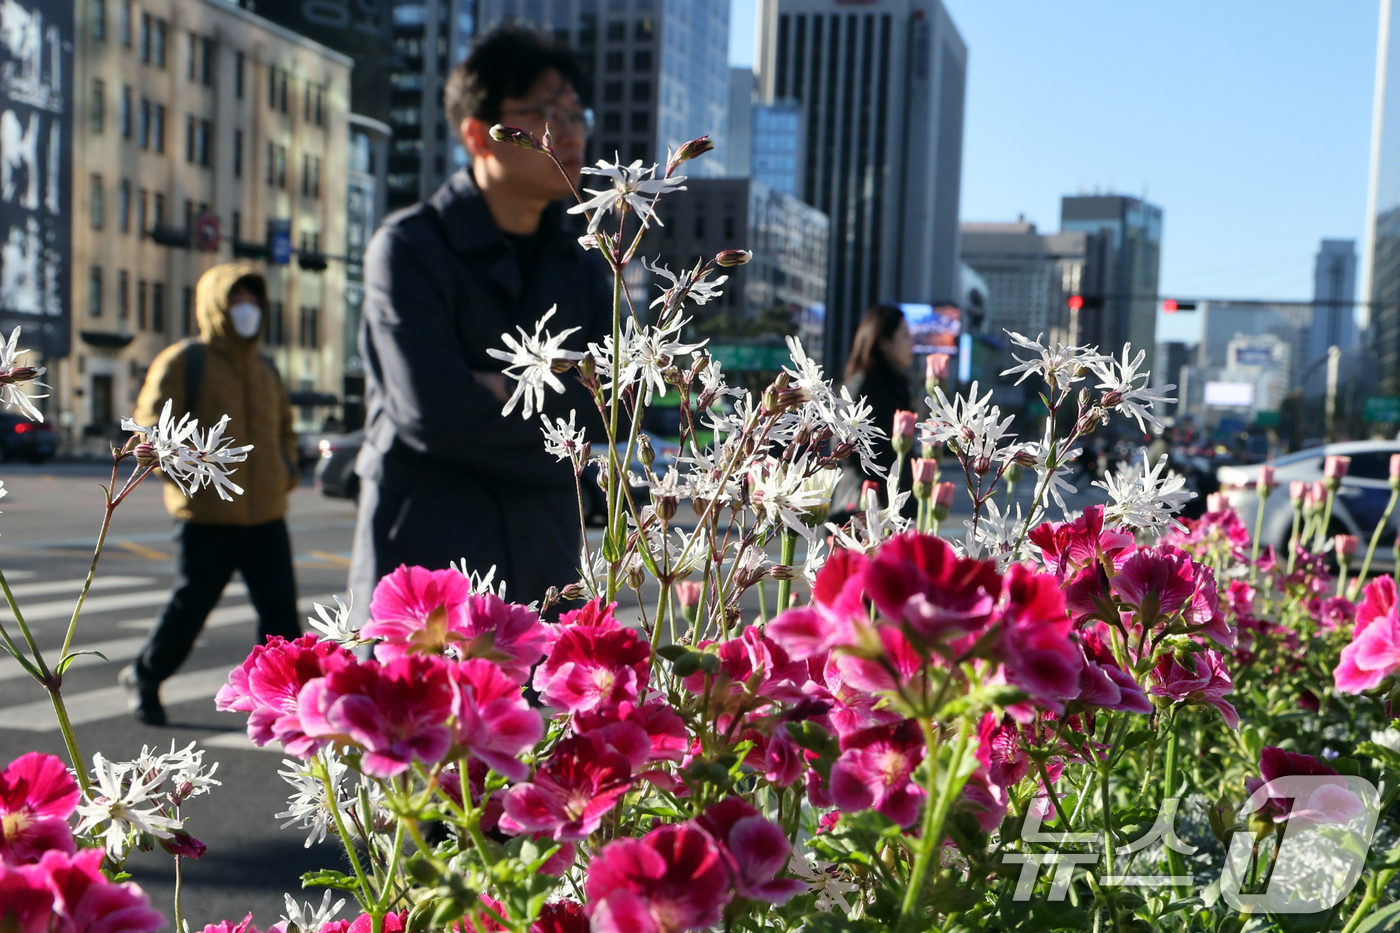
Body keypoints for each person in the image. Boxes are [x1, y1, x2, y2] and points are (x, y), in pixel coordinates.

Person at [348, 27, 611, 619]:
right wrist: (549, 410)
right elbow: (432, 413)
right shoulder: (410, 248)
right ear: (478, 134)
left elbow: (605, 409)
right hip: (427, 562)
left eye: (577, 113)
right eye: (545, 112)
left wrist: (495, 387)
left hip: (545, 561)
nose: (571, 132)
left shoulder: (583, 267)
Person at [120, 264, 301, 724]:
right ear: (216, 305)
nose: (248, 309)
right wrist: (190, 483)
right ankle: (144, 676)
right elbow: (153, 433)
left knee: (282, 619)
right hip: (207, 517)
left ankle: (287, 703)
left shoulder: (266, 366)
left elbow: (285, 428)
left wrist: (286, 471)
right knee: (190, 611)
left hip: (266, 514)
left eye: (254, 300)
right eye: (238, 299)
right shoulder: (185, 361)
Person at [832, 305, 916, 517]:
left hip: (884, 507)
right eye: (905, 335)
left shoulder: (892, 384)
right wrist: (877, 495)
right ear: (884, 343)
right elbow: (844, 444)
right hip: (863, 509)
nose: (912, 343)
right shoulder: (866, 385)